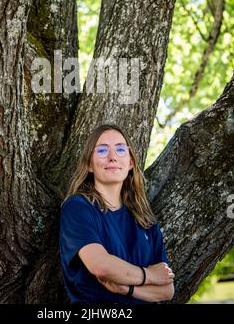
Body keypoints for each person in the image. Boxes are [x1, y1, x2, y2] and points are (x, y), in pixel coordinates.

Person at [59, 124, 175, 304]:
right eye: (102, 150)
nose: (112, 157)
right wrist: (149, 275)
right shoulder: (78, 207)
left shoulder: (144, 219)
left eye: (120, 149)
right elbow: (100, 266)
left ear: (130, 163)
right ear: (90, 164)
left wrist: (127, 289)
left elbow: (167, 290)